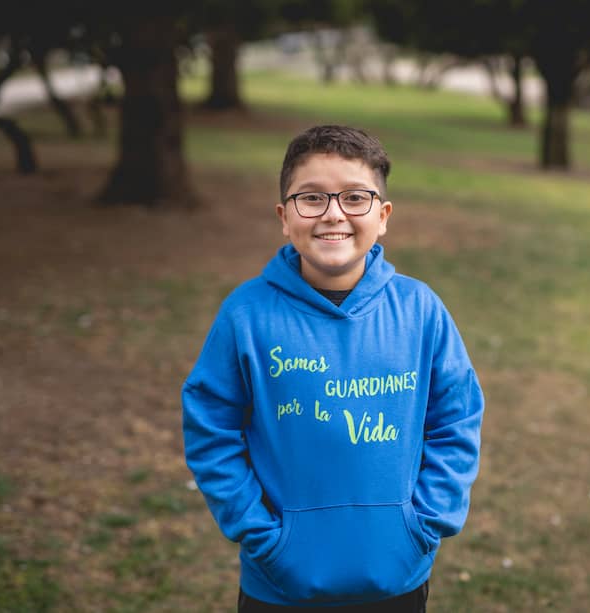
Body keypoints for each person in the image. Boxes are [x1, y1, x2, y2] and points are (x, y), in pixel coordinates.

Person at [182, 125, 484, 611]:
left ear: (382, 216)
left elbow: (456, 420)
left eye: (355, 198)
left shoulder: (420, 310)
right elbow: (211, 429)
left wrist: (425, 523)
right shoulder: (246, 315)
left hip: (397, 575)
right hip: (279, 584)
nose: (333, 214)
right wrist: (260, 535)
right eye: (311, 198)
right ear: (284, 217)